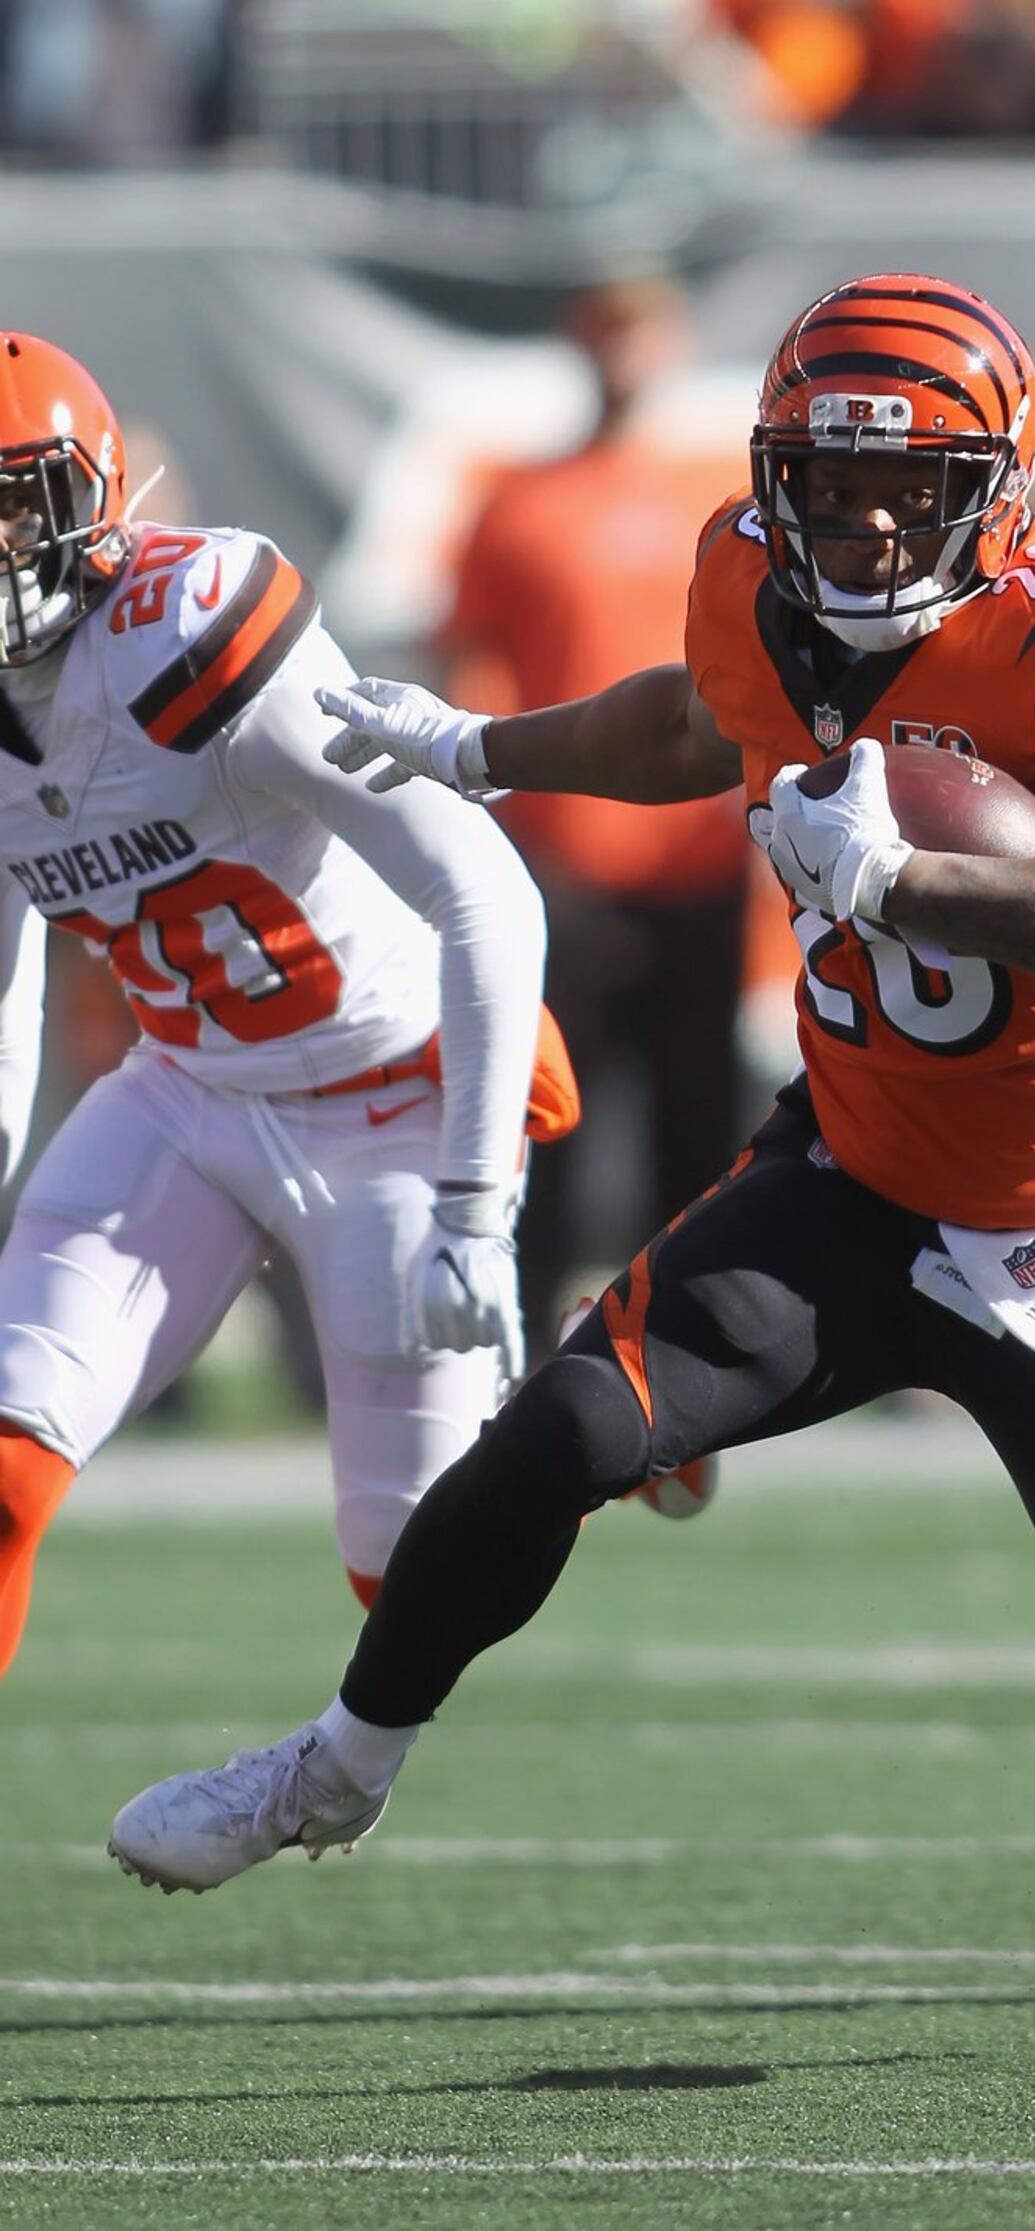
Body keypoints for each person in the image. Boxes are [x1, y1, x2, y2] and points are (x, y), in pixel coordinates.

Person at [110, 273, 1035, 2035]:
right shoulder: (753, 568)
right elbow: (696, 725)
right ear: (777, 466)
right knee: (562, 1435)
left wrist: (905, 883)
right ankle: (335, 1767)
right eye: (829, 474)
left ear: (1001, 481)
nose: (868, 512)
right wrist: (475, 748)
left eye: (912, 480)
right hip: (848, 1172)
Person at [0, 326, 580, 1676]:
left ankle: (607, 1421)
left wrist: (471, 1206)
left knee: (415, 1583)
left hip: (391, 1098)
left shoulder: (184, 635)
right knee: (7, 1466)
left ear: (89, 497)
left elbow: (483, 891)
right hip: (184, 1092)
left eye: (10, 500)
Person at [439, 273, 756, 1361]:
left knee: (697, 1134)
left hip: (697, 863)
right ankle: (517, 1360)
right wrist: (506, 843)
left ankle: (692, 1369)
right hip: (560, 871)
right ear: (576, 340)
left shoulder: (718, 497)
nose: (624, 352)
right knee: (547, 1125)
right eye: (606, 328)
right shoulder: (517, 499)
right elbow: (470, 677)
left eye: (643, 327)